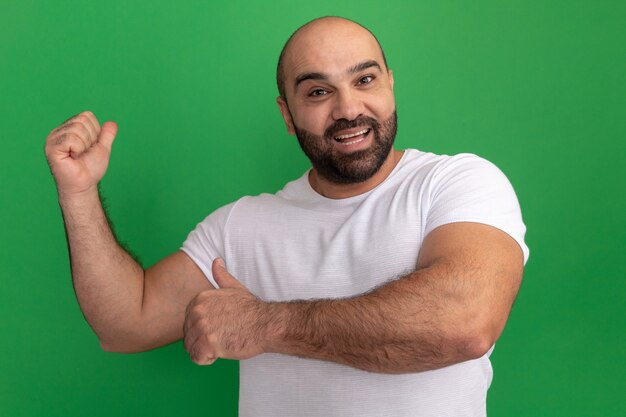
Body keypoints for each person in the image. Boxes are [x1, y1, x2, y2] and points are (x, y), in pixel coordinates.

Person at [44, 16, 528, 417]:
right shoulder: (240, 226)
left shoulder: (457, 184)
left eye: (365, 80)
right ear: (286, 113)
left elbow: (465, 322)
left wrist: (264, 325)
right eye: (318, 92)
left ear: (390, 83)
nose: (348, 109)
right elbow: (126, 323)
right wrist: (79, 192)